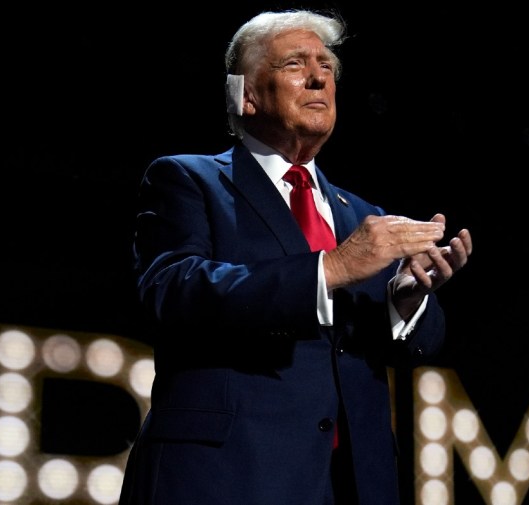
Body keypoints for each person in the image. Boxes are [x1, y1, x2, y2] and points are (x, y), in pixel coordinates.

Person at [118, 9, 472, 505]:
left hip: (351, 482)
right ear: (244, 94)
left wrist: (405, 302)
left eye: (327, 66)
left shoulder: (364, 215)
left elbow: (419, 346)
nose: (317, 76)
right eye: (293, 64)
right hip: (227, 476)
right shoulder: (187, 179)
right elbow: (170, 291)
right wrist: (330, 270)